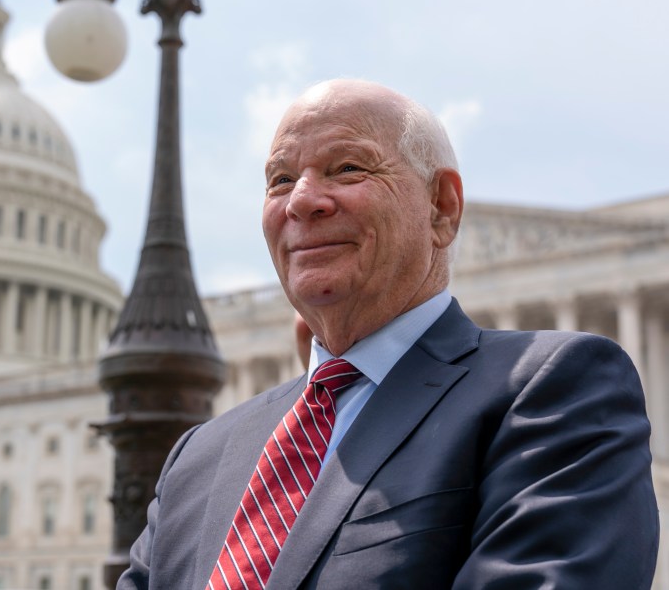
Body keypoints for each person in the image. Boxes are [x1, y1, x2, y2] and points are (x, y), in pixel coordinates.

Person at [117, 79, 659, 589]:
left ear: (442, 208)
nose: (302, 200)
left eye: (347, 167)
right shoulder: (196, 456)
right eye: (280, 180)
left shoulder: (554, 391)